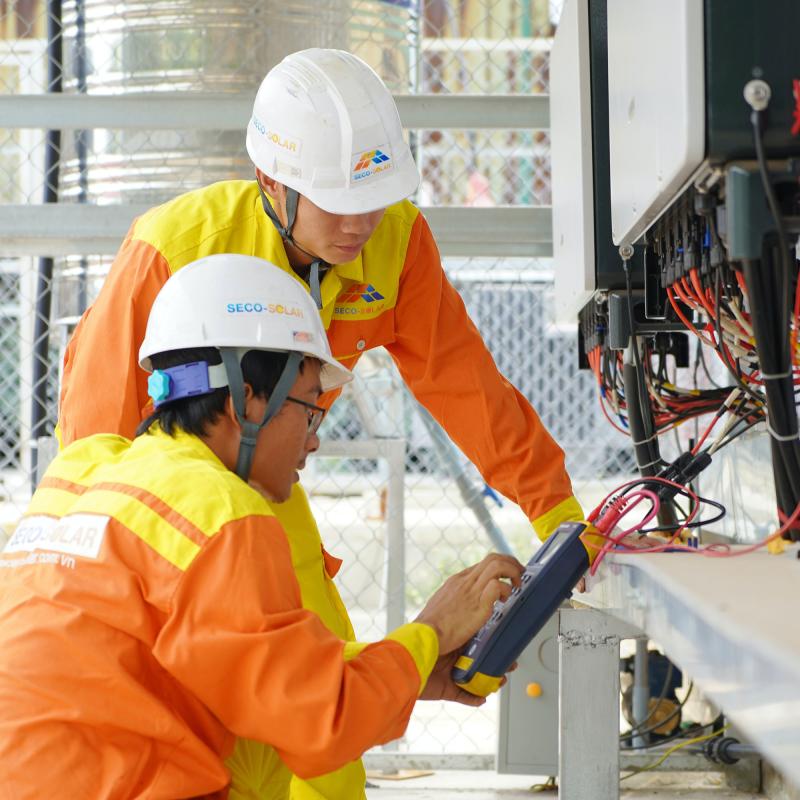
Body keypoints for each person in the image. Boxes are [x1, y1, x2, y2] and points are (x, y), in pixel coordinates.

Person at [56, 48, 590, 797]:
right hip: (149, 502)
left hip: (259, 479)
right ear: (270, 182)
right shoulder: (174, 247)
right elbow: (92, 438)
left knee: (318, 702)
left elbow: (466, 385)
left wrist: (560, 515)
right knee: (166, 704)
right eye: (336, 201)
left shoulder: (394, 241)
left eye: (372, 199)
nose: (358, 224)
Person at [0, 255, 523, 799]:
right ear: (244, 400)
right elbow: (320, 724)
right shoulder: (218, 511)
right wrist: (432, 631)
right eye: (308, 409)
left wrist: (406, 673)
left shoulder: (81, 473)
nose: (314, 439)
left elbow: (238, 670)